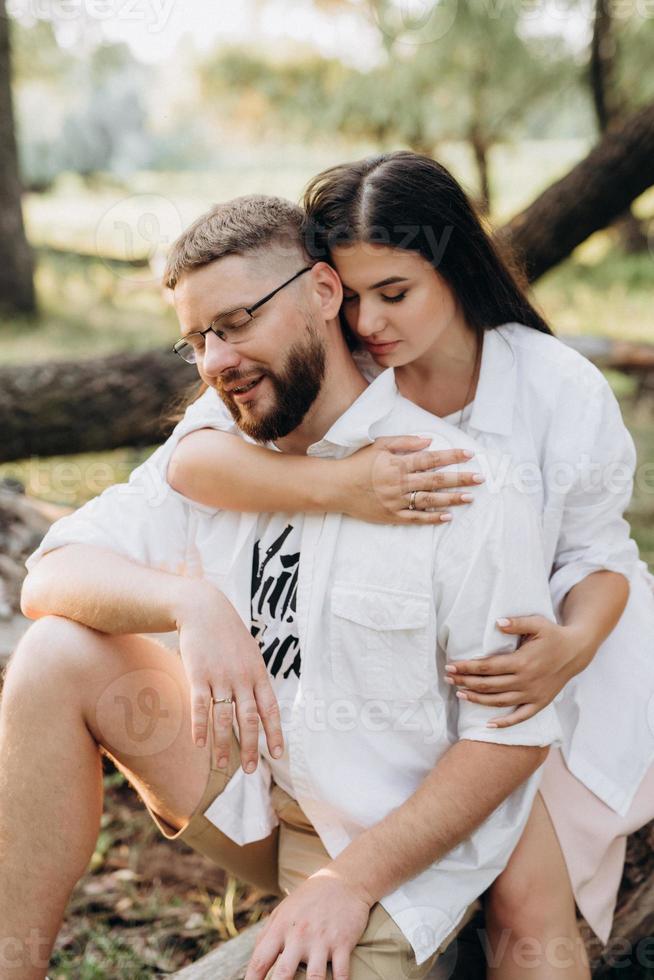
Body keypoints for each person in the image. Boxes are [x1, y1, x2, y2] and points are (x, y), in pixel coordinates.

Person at [1, 194, 562, 980]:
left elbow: (511, 736)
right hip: (252, 791)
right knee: (55, 654)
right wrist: (191, 605)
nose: (216, 360)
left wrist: (347, 881)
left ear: (325, 294)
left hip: (390, 850)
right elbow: (52, 571)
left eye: (237, 323)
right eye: (198, 339)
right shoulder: (220, 446)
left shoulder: (457, 483)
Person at [164, 154, 654, 979]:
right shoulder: (338, 372)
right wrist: (339, 484)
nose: (371, 321)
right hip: (403, 694)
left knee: (524, 886)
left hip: (551, 674)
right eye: (350, 297)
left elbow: (603, 557)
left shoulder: (551, 384)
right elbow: (189, 462)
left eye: (396, 292)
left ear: (454, 266)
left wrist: (567, 648)